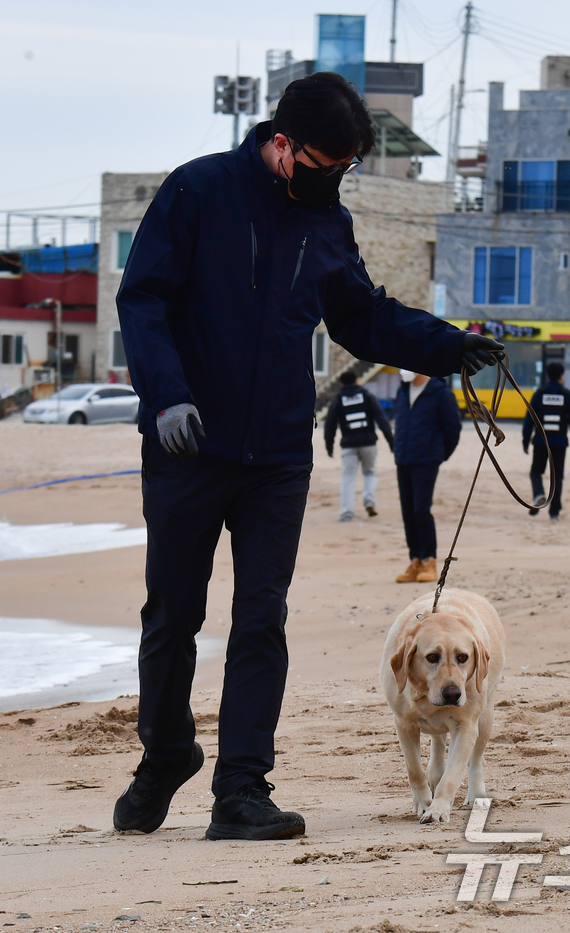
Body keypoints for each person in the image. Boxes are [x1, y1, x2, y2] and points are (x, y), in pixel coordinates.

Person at [113, 71, 504, 841]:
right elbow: (143, 298)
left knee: (262, 617)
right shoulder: (197, 192)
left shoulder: (327, 222)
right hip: (187, 441)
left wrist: (449, 345)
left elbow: (361, 317)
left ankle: (241, 790)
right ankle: (164, 755)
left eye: (347, 168)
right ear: (284, 144)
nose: (336, 180)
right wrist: (166, 396)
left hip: (279, 453)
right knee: (173, 614)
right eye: (328, 165)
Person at [391, 368, 462, 583]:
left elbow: (453, 428)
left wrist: (438, 454)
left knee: (421, 509)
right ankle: (415, 560)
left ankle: (429, 560)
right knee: (408, 511)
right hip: (404, 458)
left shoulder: (440, 392)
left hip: (426, 459)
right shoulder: (403, 390)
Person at [323, 370, 393, 522]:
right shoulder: (367, 396)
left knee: (348, 478)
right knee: (369, 473)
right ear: (357, 380)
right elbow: (381, 419)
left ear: (341, 383)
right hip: (368, 443)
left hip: (348, 445)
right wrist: (391, 441)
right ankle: (369, 501)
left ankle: (347, 512)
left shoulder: (338, 399)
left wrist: (329, 446)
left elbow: (330, 425)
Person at [522, 361, 570, 521]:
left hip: (541, 441)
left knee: (536, 472)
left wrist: (525, 440)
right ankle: (554, 512)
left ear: (547, 376)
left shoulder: (539, 394)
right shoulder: (567, 395)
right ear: (562, 377)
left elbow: (529, 419)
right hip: (560, 442)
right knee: (557, 477)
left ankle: (539, 494)